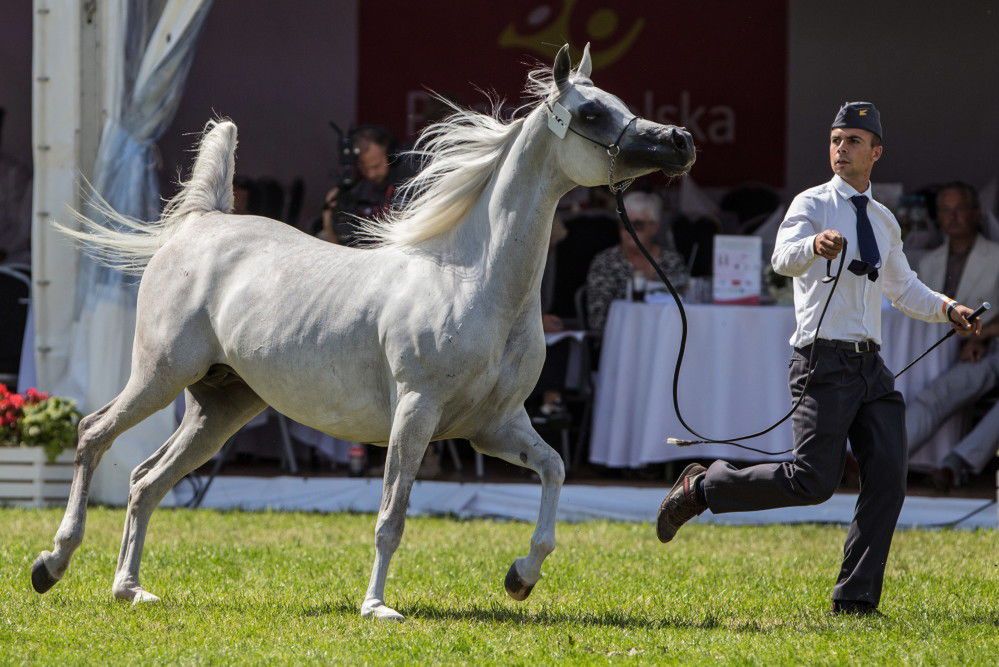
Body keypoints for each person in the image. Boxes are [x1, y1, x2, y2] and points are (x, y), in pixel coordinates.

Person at [655, 102, 983, 615]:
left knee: (889, 480)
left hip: (871, 366)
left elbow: (903, 289)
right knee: (811, 481)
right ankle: (704, 486)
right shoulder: (810, 203)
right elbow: (781, 258)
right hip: (821, 364)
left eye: (853, 140)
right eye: (835, 139)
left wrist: (948, 309)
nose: (841, 149)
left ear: (876, 152)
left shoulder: (883, 219)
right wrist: (814, 244)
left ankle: (855, 601)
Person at [906, 182, 999, 489]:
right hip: (953, 350)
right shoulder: (928, 262)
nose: (953, 217)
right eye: (945, 210)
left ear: (975, 213)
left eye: (960, 209)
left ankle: (955, 464)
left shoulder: (996, 255)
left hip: (987, 345)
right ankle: (878, 461)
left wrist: (981, 337)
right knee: (935, 396)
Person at [585, 190, 688, 332]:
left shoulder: (671, 261)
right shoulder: (605, 262)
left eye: (637, 225)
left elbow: (684, 308)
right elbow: (597, 319)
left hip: (666, 337)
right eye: (624, 224)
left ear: (654, 227)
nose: (629, 231)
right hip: (621, 339)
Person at [315, 126, 412, 246]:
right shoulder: (355, 192)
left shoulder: (407, 185)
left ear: (390, 154)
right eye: (364, 168)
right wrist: (328, 217)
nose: (371, 174)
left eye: (376, 166)